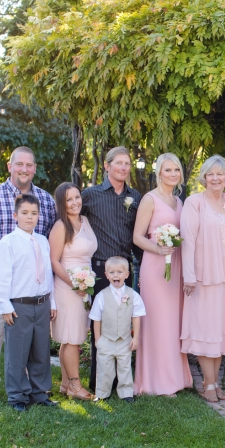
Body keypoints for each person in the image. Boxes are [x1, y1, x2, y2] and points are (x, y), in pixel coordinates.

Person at [0, 146, 56, 405]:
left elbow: (49, 238)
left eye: (29, 165)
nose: (24, 169)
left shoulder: (45, 200)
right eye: (19, 164)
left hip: (30, 287)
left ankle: (28, 387)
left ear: (35, 169)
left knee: (26, 339)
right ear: (10, 166)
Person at [182, 155, 225, 403]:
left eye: (220, 174)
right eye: (211, 174)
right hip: (203, 278)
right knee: (206, 331)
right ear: (204, 177)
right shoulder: (194, 202)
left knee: (220, 333)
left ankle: (214, 381)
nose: (216, 178)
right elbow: (187, 240)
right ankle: (208, 384)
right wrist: (189, 275)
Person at [132, 153, 193, 397]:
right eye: (168, 170)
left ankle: (176, 378)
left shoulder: (180, 202)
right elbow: (137, 237)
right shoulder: (150, 199)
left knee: (174, 322)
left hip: (175, 265)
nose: (173, 174)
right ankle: (154, 382)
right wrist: (158, 248)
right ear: (159, 173)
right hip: (155, 267)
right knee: (158, 323)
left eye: (176, 170)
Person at [82, 146, 142, 391]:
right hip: (100, 272)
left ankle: (123, 383)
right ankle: (100, 383)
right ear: (107, 166)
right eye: (118, 163)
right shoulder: (90, 195)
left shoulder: (135, 197)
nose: (123, 168)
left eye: (127, 163)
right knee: (102, 327)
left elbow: (138, 235)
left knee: (124, 326)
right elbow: (72, 223)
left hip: (125, 272)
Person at [0, 194, 57, 411]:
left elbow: (48, 273)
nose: (30, 218)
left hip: (42, 303)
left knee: (40, 350)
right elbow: (1, 278)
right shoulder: (8, 243)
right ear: (15, 215)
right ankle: (17, 395)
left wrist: (52, 302)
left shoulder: (42, 241)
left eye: (34, 213)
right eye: (25, 213)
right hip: (18, 305)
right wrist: (4, 306)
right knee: (18, 352)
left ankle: (39, 392)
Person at [48, 182, 96, 401]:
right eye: (69, 199)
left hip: (84, 285)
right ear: (62, 203)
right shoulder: (61, 226)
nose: (75, 202)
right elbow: (54, 261)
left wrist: (84, 284)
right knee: (71, 338)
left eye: (77, 197)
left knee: (72, 337)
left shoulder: (85, 221)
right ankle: (76, 386)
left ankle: (66, 385)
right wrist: (75, 283)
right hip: (68, 287)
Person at [89, 256, 145, 402]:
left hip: (124, 339)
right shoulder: (101, 296)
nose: (116, 275)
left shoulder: (133, 296)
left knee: (125, 367)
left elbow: (136, 317)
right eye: (112, 272)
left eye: (120, 272)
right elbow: (96, 319)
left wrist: (135, 337)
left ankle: (126, 393)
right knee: (104, 368)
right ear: (106, 275)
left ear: (127, 274)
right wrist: (97, 340)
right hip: (106, 339)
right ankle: (102, 393)